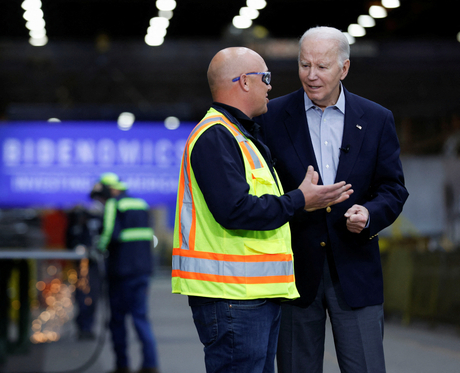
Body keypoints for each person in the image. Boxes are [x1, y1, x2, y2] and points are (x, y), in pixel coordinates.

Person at [171, 47, 353, 373]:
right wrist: (300, 199)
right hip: (232, 298)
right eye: (265, 78)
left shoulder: (241, 136)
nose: (271, 86)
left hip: (249, 295)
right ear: (243, 82)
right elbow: (236, 210)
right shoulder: (216, 137)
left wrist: (305, 199)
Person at [255, 26, 409, 373]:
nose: (311, 76)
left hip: (356, 271)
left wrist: (368, 215)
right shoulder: (272, 117)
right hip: (293, 275)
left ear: (345, 68)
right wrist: (296, 200)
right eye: (304, 65)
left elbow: (393, 189)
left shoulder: (376, 118)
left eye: (322, 67)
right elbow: (259, 188)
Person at [90, 173, 159, 373]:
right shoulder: (141, 204)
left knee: (118, 320)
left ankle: (122, 365)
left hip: (121, 273)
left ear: (109, 190)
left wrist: (97, 249)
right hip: (143, 270)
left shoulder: (114, 204)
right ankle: (150, 364)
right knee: (141, 318)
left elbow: (108, 234)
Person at [66, 204, 102, 340]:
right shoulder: (74, 227)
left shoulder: (94, 224)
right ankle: (82, 327)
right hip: (80, 267)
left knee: (92, 298)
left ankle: (88, 327)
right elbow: (69, 243)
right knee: (81, 297)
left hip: (93, 266)